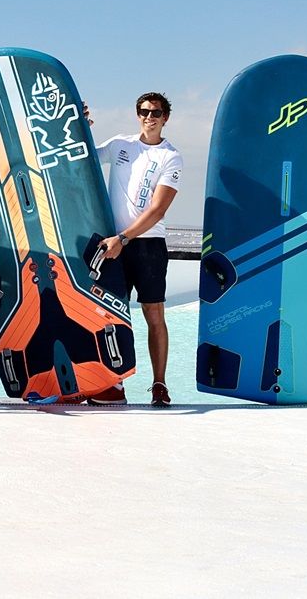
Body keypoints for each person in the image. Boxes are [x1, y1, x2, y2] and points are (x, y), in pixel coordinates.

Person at [91, 92, 183, 407]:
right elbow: (84, 157)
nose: (149, 117)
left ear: (165, 117)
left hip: (146, 246)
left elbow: (157, 210)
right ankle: (112, 384)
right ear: (137, 114)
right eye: (144, 111)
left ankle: (159, 384)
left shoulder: (171, 157)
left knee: (153, 314)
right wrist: (80, 124)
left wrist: (124, 238)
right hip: (113, 243)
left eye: (156, 112)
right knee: (108, 315)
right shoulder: (120, 144)